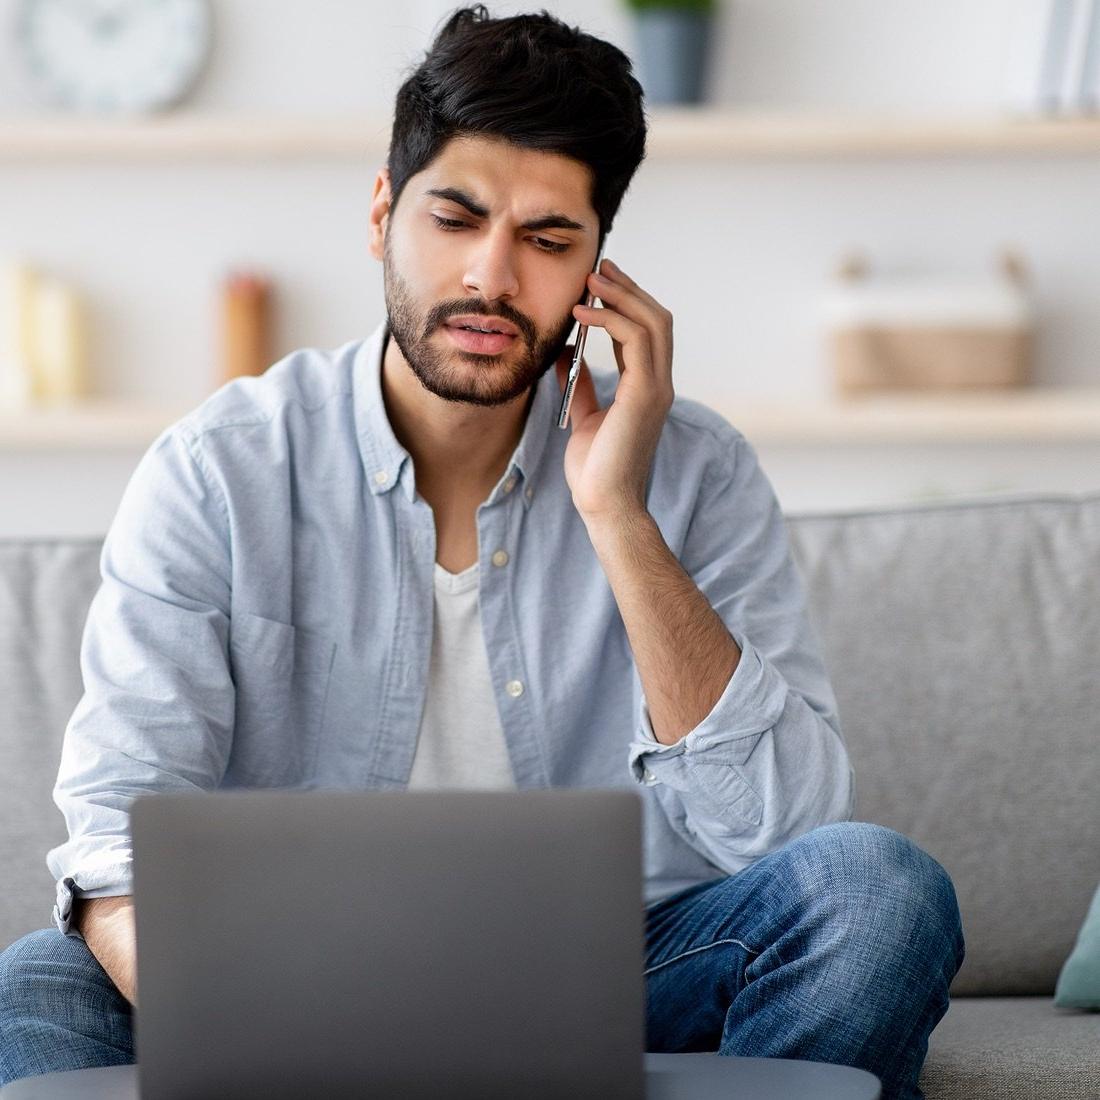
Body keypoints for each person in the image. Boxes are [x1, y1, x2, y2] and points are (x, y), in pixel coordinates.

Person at [0, 7, 964, 1097]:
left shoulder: (695, 471)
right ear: (380, 213)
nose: (491, 278)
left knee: (879, 890)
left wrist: (618, 516)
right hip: (291, 978)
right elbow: (116, 839)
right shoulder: (218, 471)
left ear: (601, 271)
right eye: (454, 218)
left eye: (548, 240)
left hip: (622, 965)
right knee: (42, 979)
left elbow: (781, 826)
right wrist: (260, 1016)